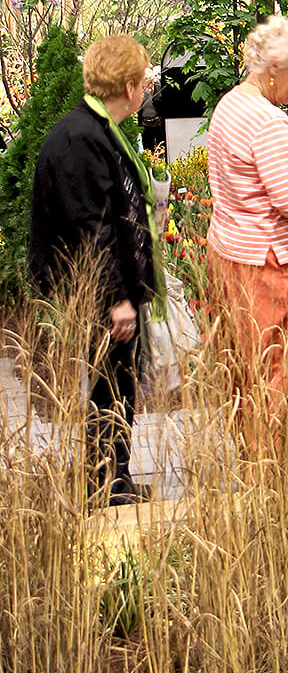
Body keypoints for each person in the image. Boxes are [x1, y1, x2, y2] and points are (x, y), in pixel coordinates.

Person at [29, 34, 166, 505]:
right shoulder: (82, 138)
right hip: (96, 295)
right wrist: (117, 300)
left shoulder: (97, 129)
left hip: (110, 290)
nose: (147, 88)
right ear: (129, 86)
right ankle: (103, 487)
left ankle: (116, 476)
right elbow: (91, 229)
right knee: (109, 387)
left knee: (119, 384)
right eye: (144, 80)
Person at [206, 15, 288, 400]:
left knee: (238, 372)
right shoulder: (268, 121)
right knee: (272, 372)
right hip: (265, 264)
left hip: (226, 253)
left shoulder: (229, 105)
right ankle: (268, 460)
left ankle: (244, 457)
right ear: (274, 68)